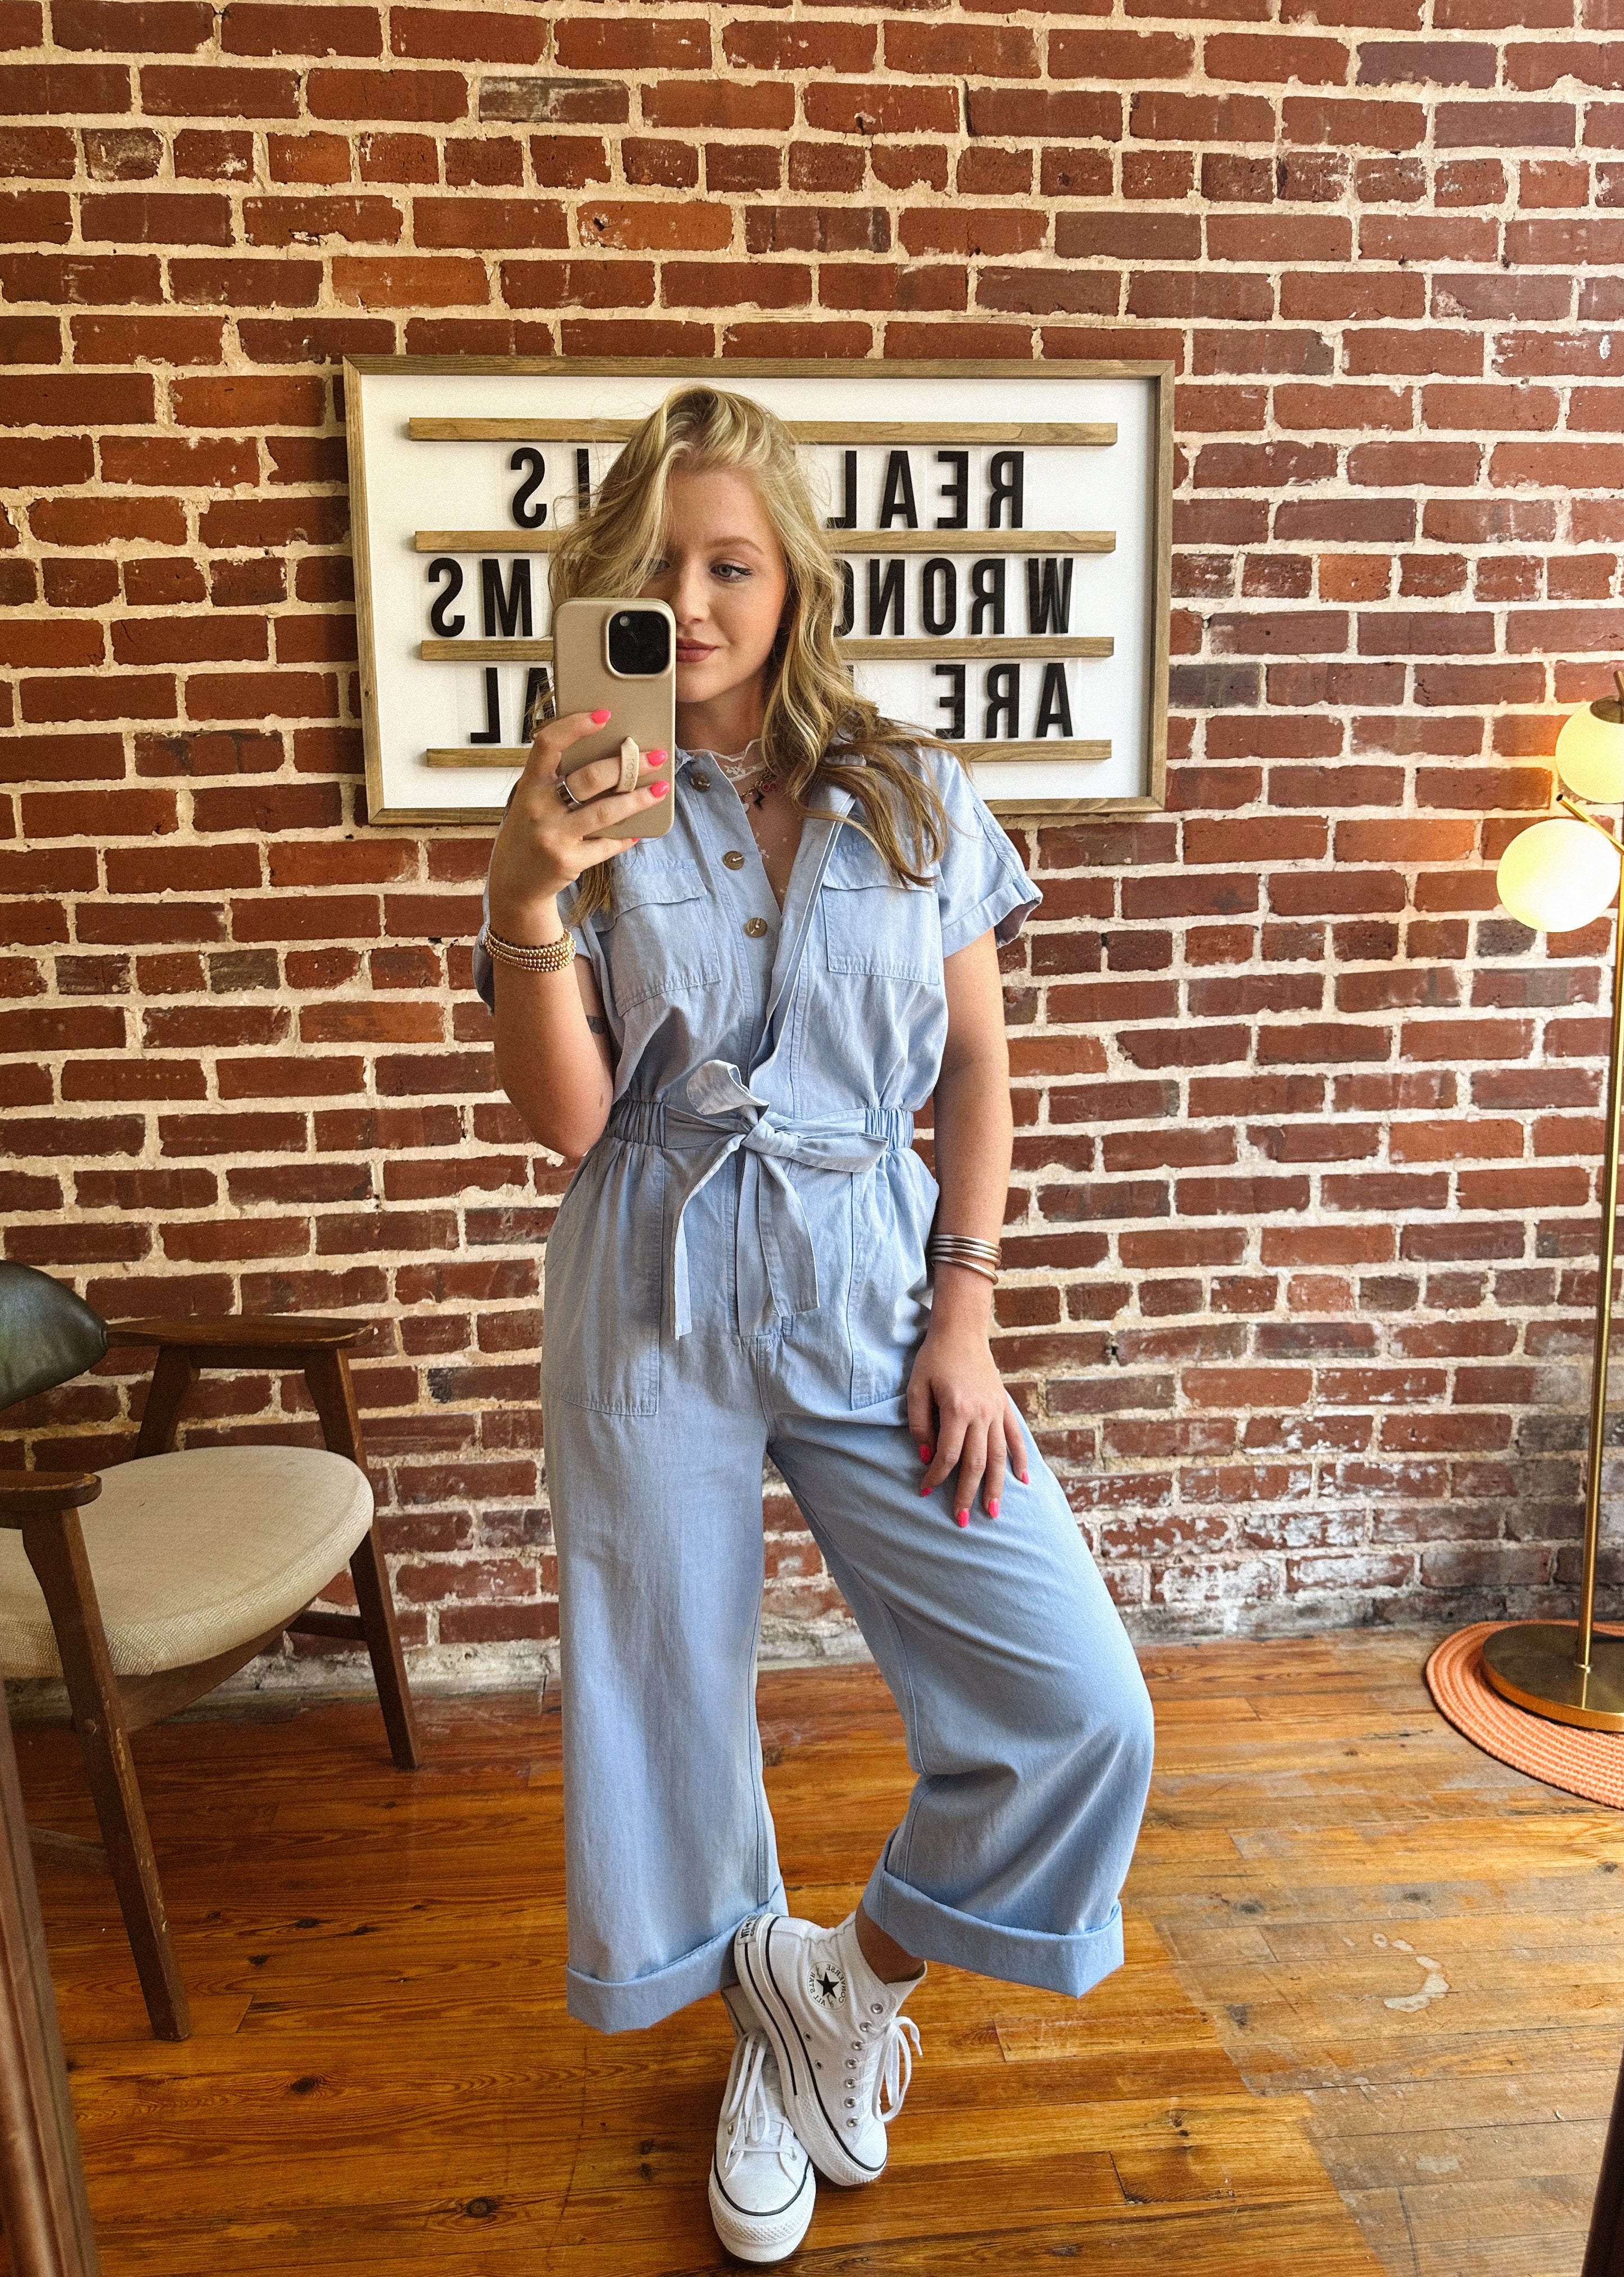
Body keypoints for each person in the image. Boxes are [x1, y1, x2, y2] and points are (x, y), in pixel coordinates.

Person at [474, 386, 1155, 2265]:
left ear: (791, 584)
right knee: (668, 1709)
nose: (691, 604)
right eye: (655, 571)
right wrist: (530, 890)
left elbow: (980, 1068)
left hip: (874, 1269)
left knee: (1076, 1707)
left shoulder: (913, 788)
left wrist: (968, 1313)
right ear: (606, 592)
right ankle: (762, 2059)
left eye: (730, 565)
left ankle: (837, 1988)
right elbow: (573, 1123)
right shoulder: (584, 799)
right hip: (654, 1273)